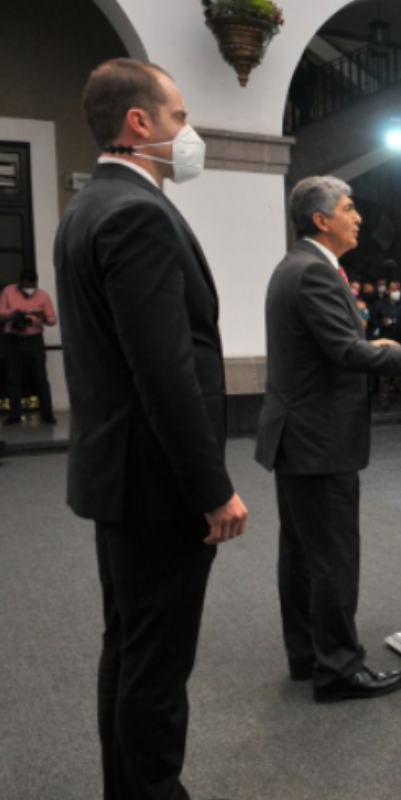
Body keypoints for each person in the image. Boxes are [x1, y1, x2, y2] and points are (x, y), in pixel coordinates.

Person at [55, 58, 250, 800]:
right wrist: (212, 490)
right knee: (158, 666)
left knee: (130, 649)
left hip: (119, 473)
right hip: (158, 483)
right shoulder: (136, 211)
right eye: (177, 118)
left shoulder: (87, 206)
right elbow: (164, 372)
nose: (186, 132)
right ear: (138, 124)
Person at [257, 176, 401, 703]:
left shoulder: (298, 265)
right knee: (332, 558)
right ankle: (338, 669)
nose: (359, 217)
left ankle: (308, 655)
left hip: (298, 435)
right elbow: (346, 355)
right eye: (349, 208)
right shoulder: (314, 272)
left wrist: (364, 340)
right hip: (317, 438)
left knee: (303, 556)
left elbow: (332, 344)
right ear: (321, 220)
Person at [1, 269, 57, 424]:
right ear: (20, 283)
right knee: (13, 378)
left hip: (34, 340)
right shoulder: (8, 291)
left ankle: (47, 414)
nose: (29, 289)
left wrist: (43, 316)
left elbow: (53, 320)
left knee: (41, 377)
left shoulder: (43, 295)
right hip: (13, 339)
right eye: (26, 286)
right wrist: (14, 313)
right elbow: (0, 313)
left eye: (32, 286)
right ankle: (15, 415)